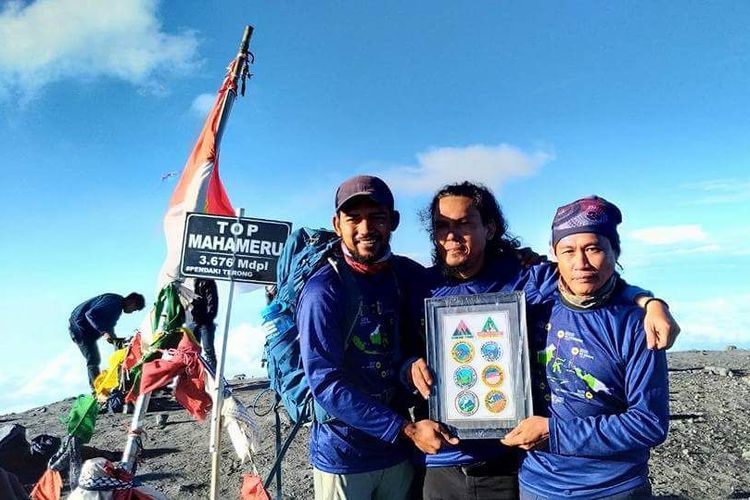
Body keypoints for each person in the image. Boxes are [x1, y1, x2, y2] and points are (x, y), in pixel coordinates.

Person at [404, 182, 678, 500]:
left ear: (489, 228)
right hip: (461, 463)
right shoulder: (419, 286)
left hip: (517, 462)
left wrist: (650, 302)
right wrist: (408, 367)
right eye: (442, 225)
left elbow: (585, 282)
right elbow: (401, 351)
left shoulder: (525, 280)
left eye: (465, 223)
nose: (452, 235)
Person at [298, 175, 457, 500]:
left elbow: (462, 283)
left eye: (377, 217)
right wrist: (408, 429)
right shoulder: (323, 291)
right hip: (343, 454)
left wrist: (512, 259)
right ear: (337, 224)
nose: (365, 228)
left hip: (397, 452)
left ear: (393, 222)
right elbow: (326, 384)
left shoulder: (407, 275)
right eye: (353, 218)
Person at [501, 196, 670, 499]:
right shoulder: (531, 302)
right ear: (554, 254)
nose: (580, 263)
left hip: (614, 488)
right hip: (538, 485)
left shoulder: (637, 325)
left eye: (593, 249)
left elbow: (649, 423)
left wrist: (555, 433)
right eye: (568, 251)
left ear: (614, 251)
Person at [69, 292, 145, 387]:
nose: (132, 311)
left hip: (88, 329)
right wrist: (104, 332)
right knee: (93, 359)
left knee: (113, 350)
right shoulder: (114, 302)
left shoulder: (117, 307)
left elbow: (109, 326)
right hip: (79, 328)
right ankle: (96, 390)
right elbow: (90, 314)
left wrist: (114, 340)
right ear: (132, 302)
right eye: (134, 309)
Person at [187, 278, 218, 370]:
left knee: (208, 350)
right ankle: (196, 378)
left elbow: (212, 301)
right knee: (192, 351)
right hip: (192, 320)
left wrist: (208, 318)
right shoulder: (186, 282)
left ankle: (214, 378)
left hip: (204, 321)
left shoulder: (207, 282)